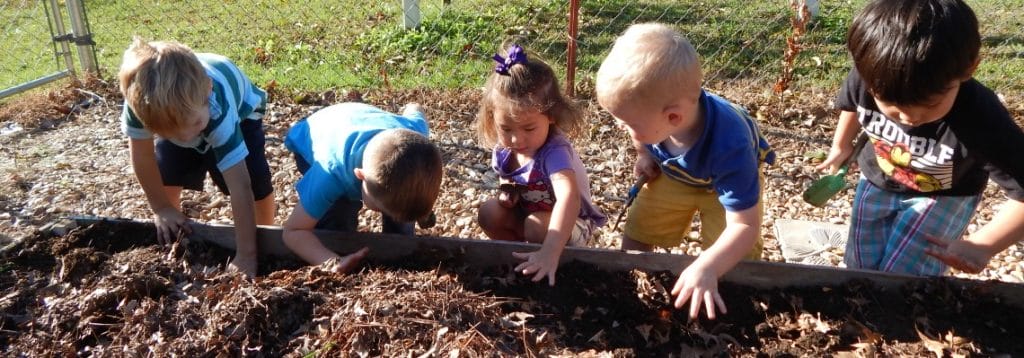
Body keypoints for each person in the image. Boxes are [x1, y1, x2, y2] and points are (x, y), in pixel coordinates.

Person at [815, 0, 1024, 276]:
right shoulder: (869, 76)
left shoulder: (982, 119)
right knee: (860, 265)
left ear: (970, 68)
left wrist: (983, 245)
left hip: (944, 196)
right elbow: (853, 106)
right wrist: (841, 144)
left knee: (904, 275)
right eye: (891, 104)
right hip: (877, 178)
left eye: (929, 105)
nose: (908, 117)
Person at [595, 23, 774, 320]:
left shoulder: (731, 145)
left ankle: (727, 303)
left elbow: (745, 225)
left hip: (724, 184)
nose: (623, 128)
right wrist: (643, 154)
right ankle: (629, 285)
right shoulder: (655, 119)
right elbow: (642, 134)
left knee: (731, 254)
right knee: (641, 224)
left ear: (673, 117)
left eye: (629, 124)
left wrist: (707, 266)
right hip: (677, 174)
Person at [118, 37, 275, 278]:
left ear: (208, 89)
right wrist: (160, 207)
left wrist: (247, 255)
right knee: (167, 169)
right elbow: (142, 156)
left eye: (194, 126)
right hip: (186, 114)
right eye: (167, 133)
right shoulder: (143, 106)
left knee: (254, 180)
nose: (187, 137)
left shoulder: (216, 109)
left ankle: (265, 234)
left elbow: (240, 186)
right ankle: (173, 227)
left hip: (242, 113)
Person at [476, 44, 607, 286]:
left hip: (572, 225)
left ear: (551, 116)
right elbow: (510, 179)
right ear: (492, 116)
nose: (516, 139)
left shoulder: (554, 152)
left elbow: (569, 198)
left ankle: (547, 266)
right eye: (506, 129)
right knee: (489, 213)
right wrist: (508, 191)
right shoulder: (506, 150)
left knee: (535, 226)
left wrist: (550, 251)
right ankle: (520, 260)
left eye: (528, 128)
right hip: (532, 217)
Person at [281, 102, 443, 271]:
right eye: (380, 209)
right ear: (361, 176)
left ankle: (399, 248)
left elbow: (415, 110)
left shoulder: (415, 134)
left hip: (361, 119)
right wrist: (330, 261)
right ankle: (339, 249)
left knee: (400, 206)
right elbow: (293, 231)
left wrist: (413, 106)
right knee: (338, 213)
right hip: (315, 134)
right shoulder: (330, 174)